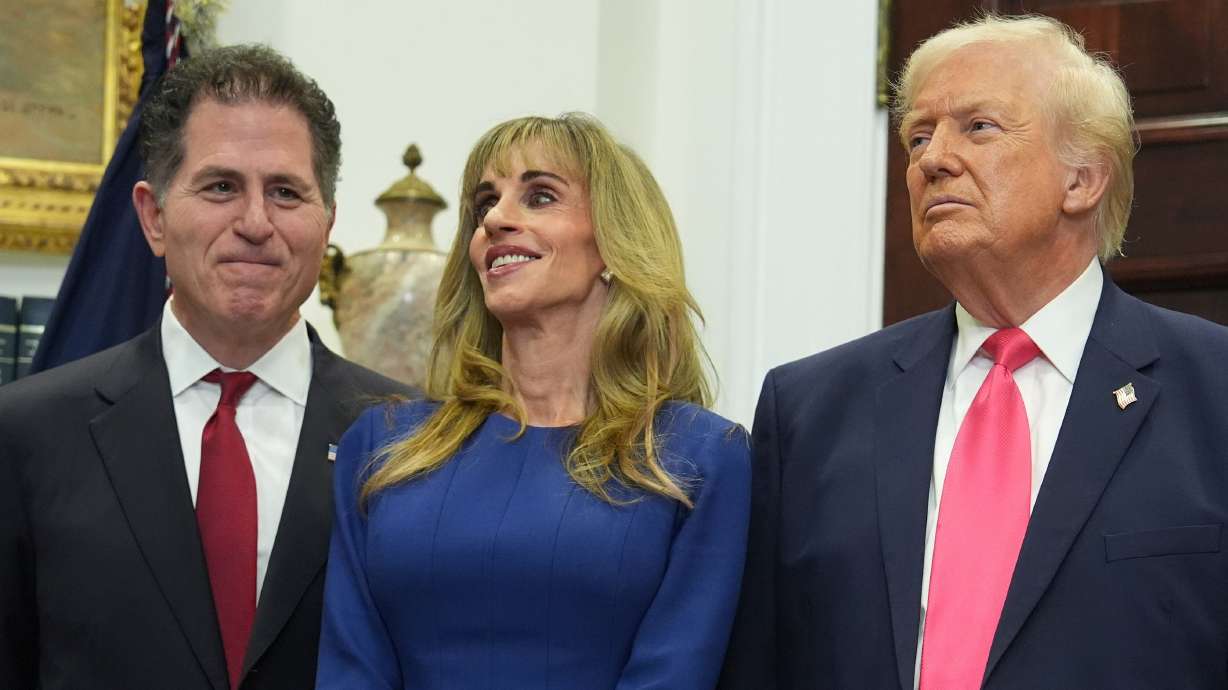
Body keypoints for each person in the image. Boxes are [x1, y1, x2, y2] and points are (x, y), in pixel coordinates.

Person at [720, 13, 1228, 690]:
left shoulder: (1213, 389)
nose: (932, 160)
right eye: (918, 137)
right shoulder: (810, 413)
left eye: (978, 127)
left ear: (1082, 179)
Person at [0, 45, 410, 690]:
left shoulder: (408, 438)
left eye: (286, 192)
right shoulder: (28, 433)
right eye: (221, 187)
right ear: (154, 217)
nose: (255, 223)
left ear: (327, 222)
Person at [316, 113, 751, 689]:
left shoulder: (699, 457)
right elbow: (351, 670)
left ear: (614, 244)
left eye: (540, 196)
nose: (495, 220)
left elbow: (675, 673)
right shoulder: (382, 446)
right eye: (485, 203)